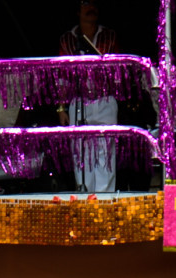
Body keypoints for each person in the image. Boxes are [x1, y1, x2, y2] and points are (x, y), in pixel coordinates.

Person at [58, 2, 122, 193]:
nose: (91, 8)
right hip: (78, 101)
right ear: (78, 11)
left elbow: (118, 70)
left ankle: (104, 198)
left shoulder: (109, 36)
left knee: (105, 151)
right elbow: (62, 76)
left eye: (94, 4)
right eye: (86, 4)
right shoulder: (67, 39)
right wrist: (61, 107)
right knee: (80, 152)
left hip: (105, 99)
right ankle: (84, 196)